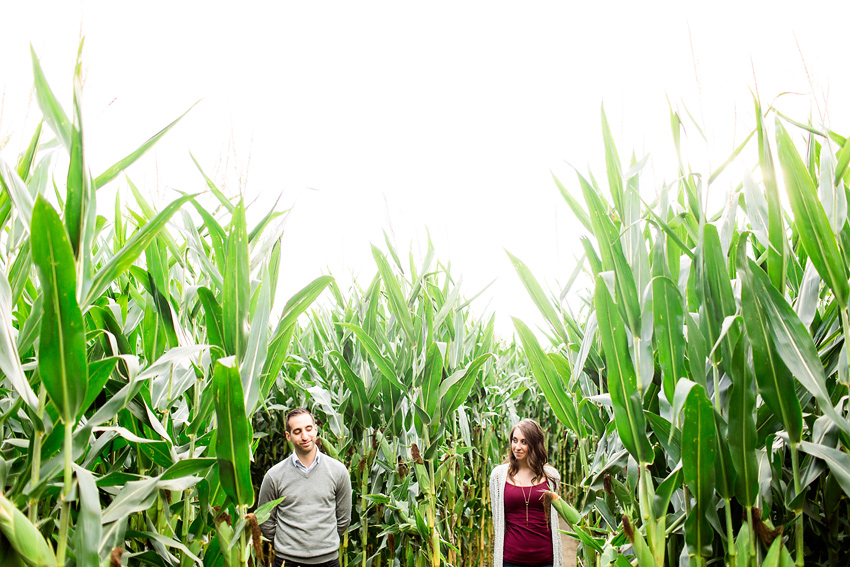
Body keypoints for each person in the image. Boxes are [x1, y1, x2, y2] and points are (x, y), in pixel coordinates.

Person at [258, 408, 352, 567]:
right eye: (297, 431)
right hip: (287, 562)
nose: (305, 436)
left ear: (315, 429)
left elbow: (343, 519)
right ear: (288, 436)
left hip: (328, 561)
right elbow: (265, 519)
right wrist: (286, 545)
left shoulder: (338, 471)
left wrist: (323, 544)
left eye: (308, 429)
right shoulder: (274, 475)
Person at [489, 418, 563, 567]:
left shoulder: (552, 476)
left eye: (524, 442)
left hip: (545, 559)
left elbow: (552, 518)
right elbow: (497, 521)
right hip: (511, 559)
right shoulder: (498, 476)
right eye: (514, 440)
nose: (517, 447)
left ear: (535, 444)